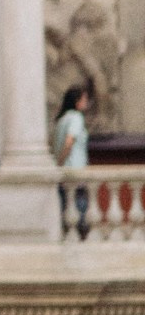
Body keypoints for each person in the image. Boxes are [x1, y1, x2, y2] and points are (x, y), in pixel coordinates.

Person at [55, 81, 93, 236]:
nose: (86, 103)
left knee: (64, 208)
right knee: (80, 213)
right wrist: (61, 162)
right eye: (84, 99)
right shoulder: (76, 117)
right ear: (77, 102)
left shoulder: (61, 119)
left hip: (64, 173)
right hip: (75, 170)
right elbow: (69, 141)